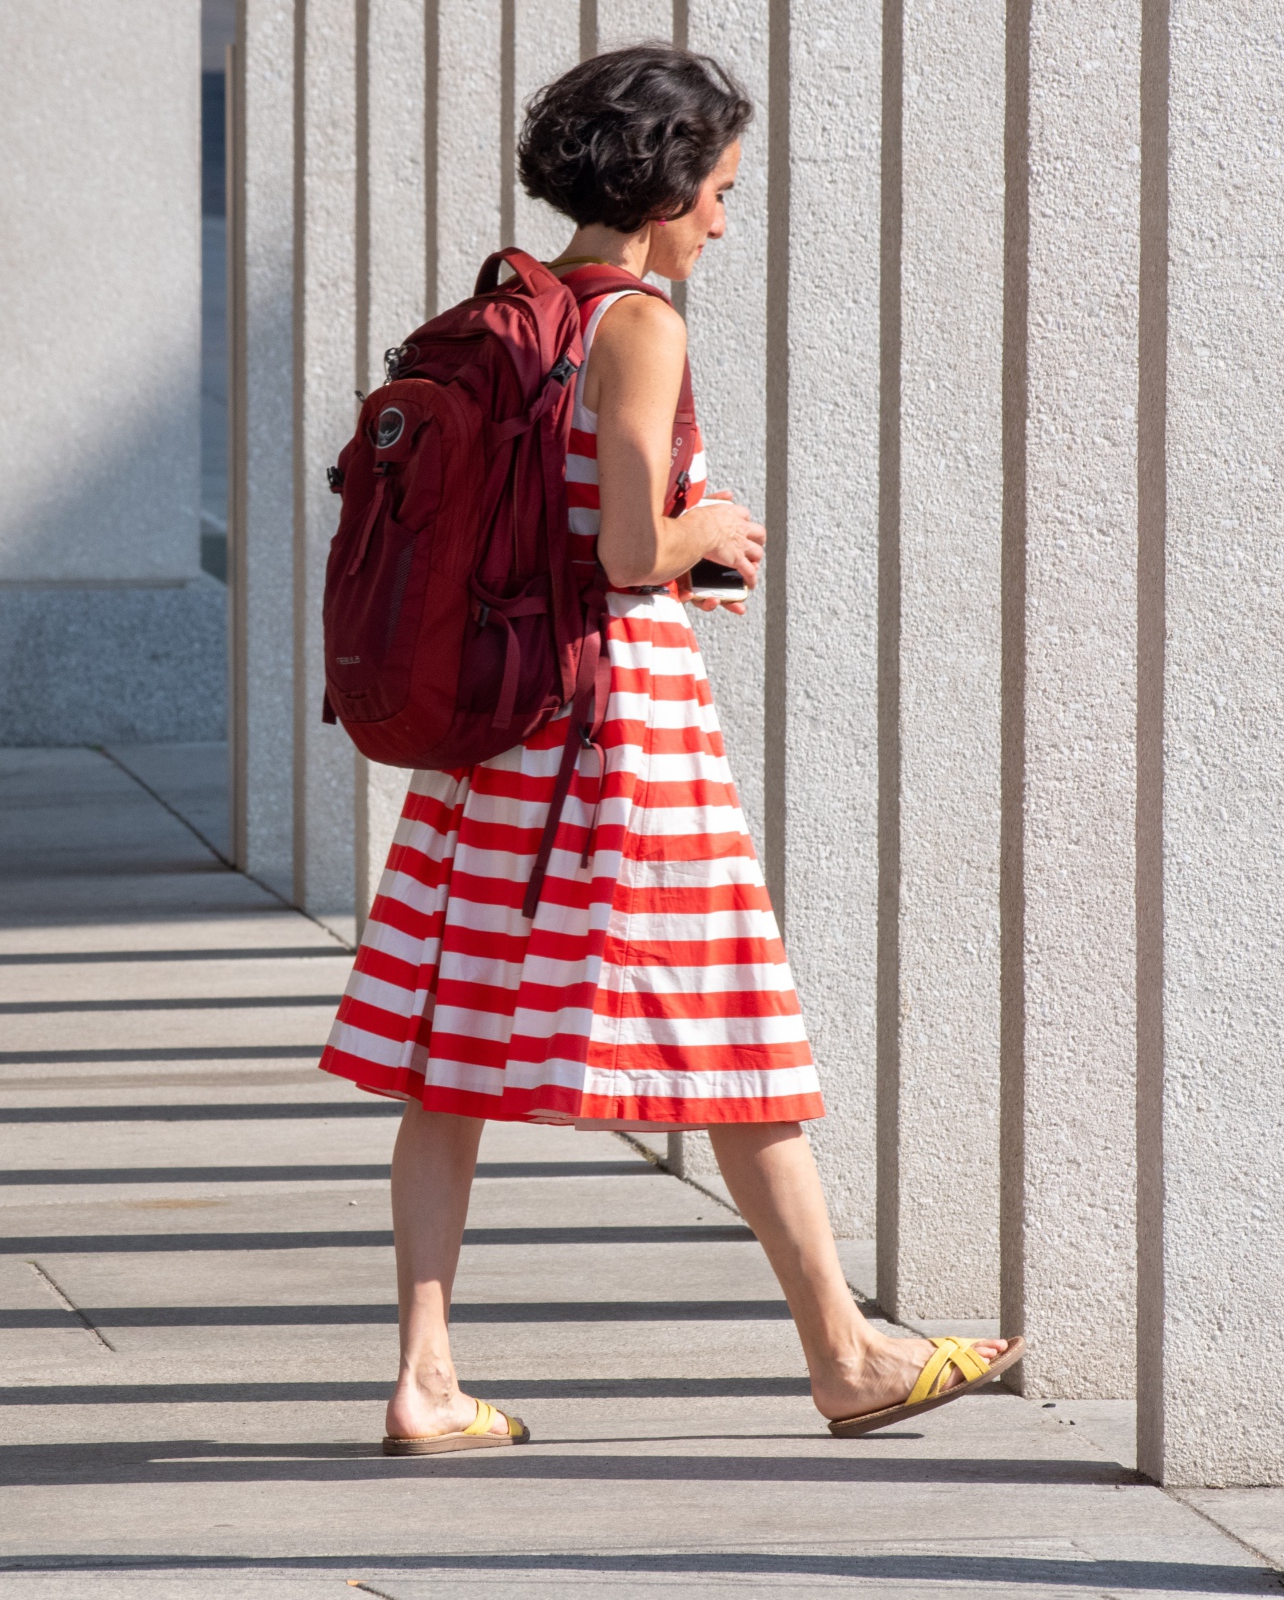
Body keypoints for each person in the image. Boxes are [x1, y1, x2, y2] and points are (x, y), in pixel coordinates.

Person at [318, 43, 1021, 1455]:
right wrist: (715, 530)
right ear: (665, 183)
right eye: (720, 191)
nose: (722, 220)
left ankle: (426, 1378)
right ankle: (846, 1358)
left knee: (449, 1054)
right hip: (614, 724)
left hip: (497, 727)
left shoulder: (506, 311)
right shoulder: (636, 322)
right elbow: (632, 547)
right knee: (736, 1022)